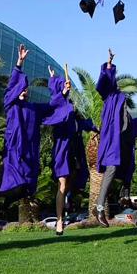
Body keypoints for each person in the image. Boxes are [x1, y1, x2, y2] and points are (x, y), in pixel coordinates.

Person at [0, 44, 51, 214]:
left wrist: (62, 90)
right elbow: (13, 85)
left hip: (30, 153)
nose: (23, 90)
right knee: (12, 181)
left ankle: (2, 205)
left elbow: (54, 106)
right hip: (14, 149)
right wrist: (19, 63)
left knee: (25, 187)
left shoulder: (34, 108)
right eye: (21, 88)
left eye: (26, 88)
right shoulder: (11, 104)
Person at [41, 66, 97, 235]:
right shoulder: (56, 109)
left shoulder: (72, 110)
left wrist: (97, 128)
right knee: (62, 183)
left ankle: (68, 198)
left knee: (74, 181)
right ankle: (59, 222)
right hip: (62, 150)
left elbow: (83, 123)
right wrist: (61, 88)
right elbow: (56, 101)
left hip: (75, 149)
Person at [93, 49, 135, 227]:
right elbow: (103, 84)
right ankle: (100, 206)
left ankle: (124, 196)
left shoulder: (121, 100)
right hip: (111, 139)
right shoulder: (109, 96)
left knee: (128, 166)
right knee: (111, 169)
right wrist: (108, 64)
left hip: (121, 141)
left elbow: (128, 122)